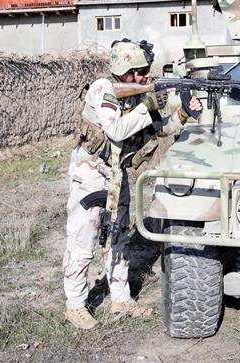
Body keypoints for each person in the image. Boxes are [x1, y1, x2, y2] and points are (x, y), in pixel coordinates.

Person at [63, 39, 202, 330]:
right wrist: (148, 102)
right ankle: (75, 305)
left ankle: (120, 299)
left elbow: (159, 130)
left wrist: (184, 113)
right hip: (90, 171)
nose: (144, 77)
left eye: (145, 72)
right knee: (83, 240)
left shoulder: (137, 97)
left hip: (117, 173)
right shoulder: (103, 88)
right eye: (139, 72)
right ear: (123, 70)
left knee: (119, 238)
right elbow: (115, 130)